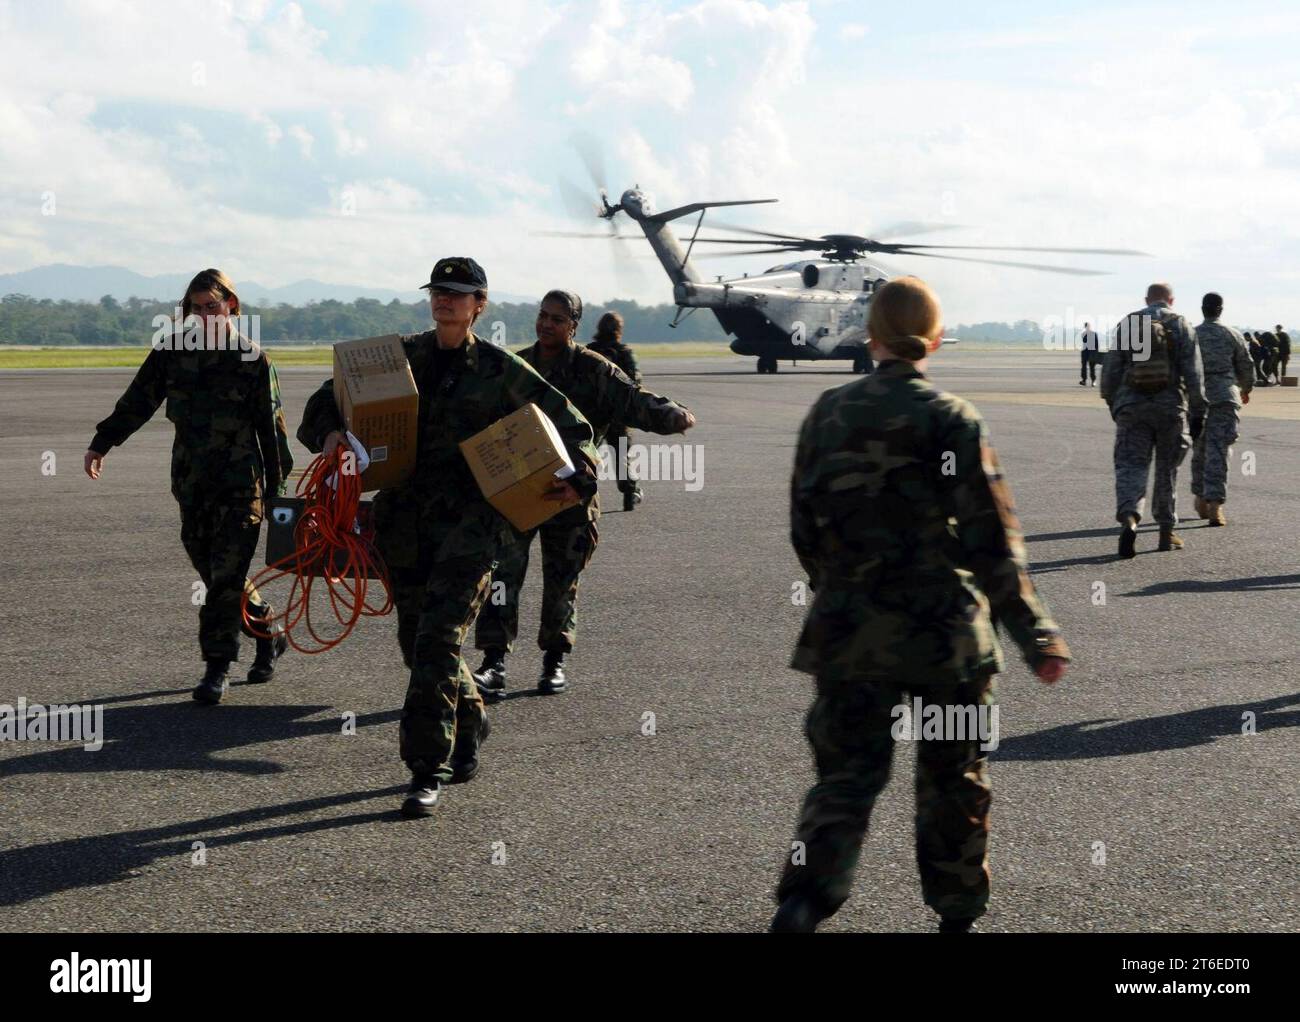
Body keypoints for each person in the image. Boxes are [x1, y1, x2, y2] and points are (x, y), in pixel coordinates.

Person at [771, 276, 1070, 934]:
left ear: (870, 336)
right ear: (935, 337)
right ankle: (957, 915)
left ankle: (805, 902)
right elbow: (995, 545)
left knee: (844, 779)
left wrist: (843, 588)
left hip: (849, 633)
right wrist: (1037, 634)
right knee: (953, 783)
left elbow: (803, 526)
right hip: (946, 639)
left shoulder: (827, 412)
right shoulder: (953, 419)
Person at [296, 258, 601, 818]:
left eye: (459, 294)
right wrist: (333, 433)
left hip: (472, 527)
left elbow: (569, 421)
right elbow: (320, 404)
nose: (446, 300)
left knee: (438, 641)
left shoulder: (498, 367)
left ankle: (424, 768)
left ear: (479, 304)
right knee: (417, 644)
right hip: (404, 526)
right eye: (439, 291)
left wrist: (583, 474)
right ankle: (472, 714)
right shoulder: (397, 359)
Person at [84, 269, 293, 704]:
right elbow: (137, 400)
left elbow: (272, 431)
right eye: (195, 308)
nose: (203, 315)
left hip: (240, 487)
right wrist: (103, 442)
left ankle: (217, 668)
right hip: (192, 483)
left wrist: (278, 491)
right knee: (213, 570)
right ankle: (267, 628)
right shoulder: (172, 354)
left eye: (211, 306)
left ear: (231, 305)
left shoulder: (253, 360)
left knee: (224, 579)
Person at [473, 292, 695, 699]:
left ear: (574, 325)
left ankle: (554, 661)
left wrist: (670, 414)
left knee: (563, 580)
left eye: (557, 319)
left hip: (573, 493)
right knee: (503, 575)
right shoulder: (517, 365)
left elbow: (633, 399)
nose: (546, 324)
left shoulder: (593, 369)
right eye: (542, 316)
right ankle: (494, 663)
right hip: (521, 490)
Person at [1100, 282, 1206, 558]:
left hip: (1132, 407)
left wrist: (1115, 403)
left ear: (1146, 299)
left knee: (1130, 466)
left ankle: (1130, 519)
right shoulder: (1180, 324)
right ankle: (1165, 530)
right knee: (1167, 470)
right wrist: (1197, 412)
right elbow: (1193, 373)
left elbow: (1110, 370)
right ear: (1171, 299)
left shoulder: (1129, 323)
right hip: (1170, 408)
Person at [1191, 293, 1253, 527]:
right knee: (1220, 451)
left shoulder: (1192, 335)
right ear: (1221, 309)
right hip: (1226, 397)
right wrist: (1246, 388)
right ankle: (1215, 505)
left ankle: (1199, 498)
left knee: (1199, 449)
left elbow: (1183, 366)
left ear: (1202, 309)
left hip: (1198, 398)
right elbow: (1246, 364)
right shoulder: (1232, 334)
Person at [587, 311, 645, 509]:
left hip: (593, 414)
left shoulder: (589, 351)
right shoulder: (624, 353)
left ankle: (582, 492)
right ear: (619, 330)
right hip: (618, 414)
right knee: (622, 455)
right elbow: (635, 382)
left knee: (586, 454)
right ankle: (629, 493)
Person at [1079, 321, 1100, 386]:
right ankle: (1084, 380)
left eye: (1088, 326)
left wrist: (1096, 353)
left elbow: (1096, 344)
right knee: (1083, 367)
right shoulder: (1083, 334)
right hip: (1085, 352)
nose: (1087, 327)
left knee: (1092, 367)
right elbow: (1084, 341)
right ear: (1085, 327)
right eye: (1086, 326)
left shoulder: (1094, 333)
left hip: (1092, 352)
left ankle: (1093, 381)